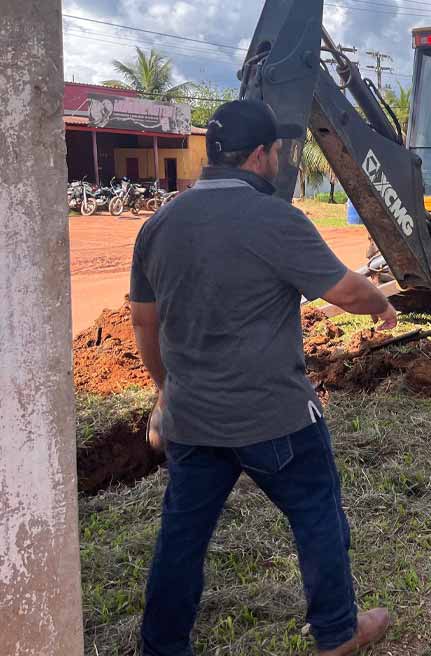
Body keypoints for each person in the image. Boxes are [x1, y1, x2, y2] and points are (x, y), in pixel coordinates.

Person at [130, 99, 397, 656]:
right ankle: (337, 633)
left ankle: (161, 646)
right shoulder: (275, 217)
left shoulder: (158, 225)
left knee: (181, 538)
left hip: (193, 419)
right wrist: (380, 304)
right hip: (274, 417)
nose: (279, 159)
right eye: (277, 151)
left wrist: (166, 389)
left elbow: (144, 323)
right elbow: (345, 290)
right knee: (318, 514)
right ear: (259, 155)